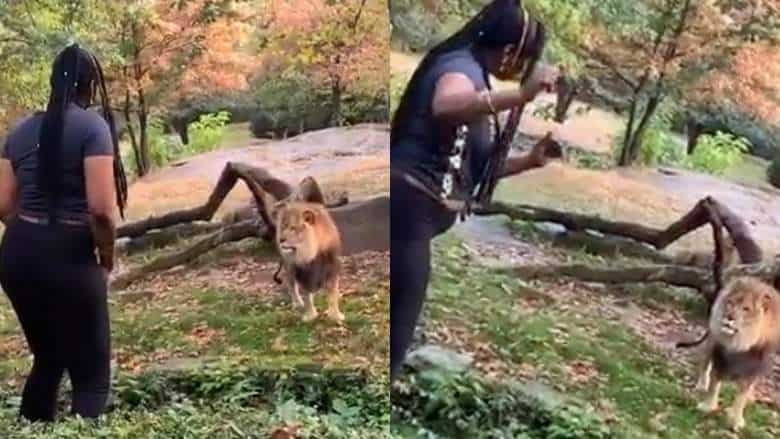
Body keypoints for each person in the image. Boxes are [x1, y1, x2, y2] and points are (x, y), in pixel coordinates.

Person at [390, 0, 561, 382]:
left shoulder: (477, 76)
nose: (523, 70)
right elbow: (446, 104)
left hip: (418, 216)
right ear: (508, 52)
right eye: (525, 60)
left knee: (397, 327)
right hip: (409, 209)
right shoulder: (459, 68)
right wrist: (519, 96)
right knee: (395, 334)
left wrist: (530, 160)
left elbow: (478, 165)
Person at [0, 43, 128, 422]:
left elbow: (4, 206)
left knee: (49, 358)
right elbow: (102, 210)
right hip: (72, 255)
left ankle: (33, 428)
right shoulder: (93, 128)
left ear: (52, 82)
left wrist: (34, 236)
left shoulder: (18, 131)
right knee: (91, 375)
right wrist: (106, 259)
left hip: (17, 256)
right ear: (90, 86)